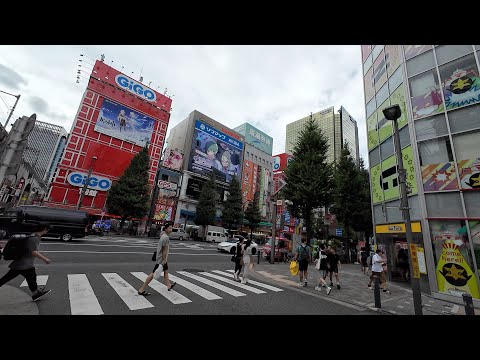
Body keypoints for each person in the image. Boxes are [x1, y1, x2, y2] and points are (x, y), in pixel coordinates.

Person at [0, 222, 52, 301]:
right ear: (45, 229)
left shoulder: (33, 236)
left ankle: (35, 293)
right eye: (47, 230)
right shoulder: (34, 238)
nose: (47, 231)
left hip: (24, 264)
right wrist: (45, 259)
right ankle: (35, 293)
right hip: (23, 264)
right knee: (7, 278)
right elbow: (33, 251)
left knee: (31, 277)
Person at [138, 221, 176, 295]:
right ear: (166, 229)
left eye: (172, 228)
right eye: (169, 228)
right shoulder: (166, 238)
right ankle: (141, 289)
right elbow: (164, 251)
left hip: (161, 258)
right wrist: (164, 260)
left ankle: (169, 285)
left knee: (166, 271)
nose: (171, 230)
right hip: (161, 259)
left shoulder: (163, 235)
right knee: (153, 274)